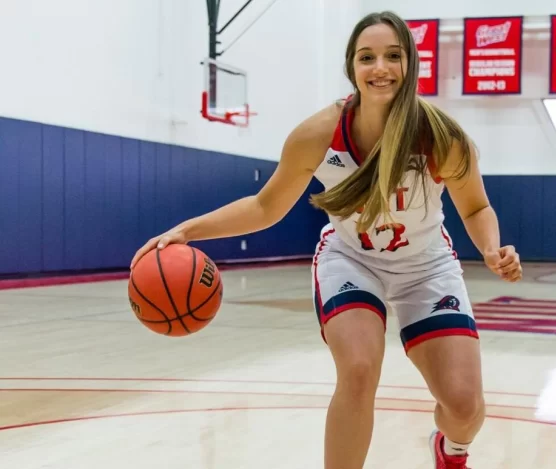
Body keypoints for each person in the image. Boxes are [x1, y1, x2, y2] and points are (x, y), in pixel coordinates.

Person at [131, 10, 522, 469]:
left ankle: (451, 449)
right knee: (357, 371)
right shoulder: (319, 134)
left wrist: (492, 248)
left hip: (426, 266)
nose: (380, 68)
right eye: (367, 57)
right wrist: (186, 230)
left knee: (464, 409)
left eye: (393, 56)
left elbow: (475, 207)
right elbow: (264, 207)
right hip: (352, 260)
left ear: (410, 63)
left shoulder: (443, 137)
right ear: (351, 68)